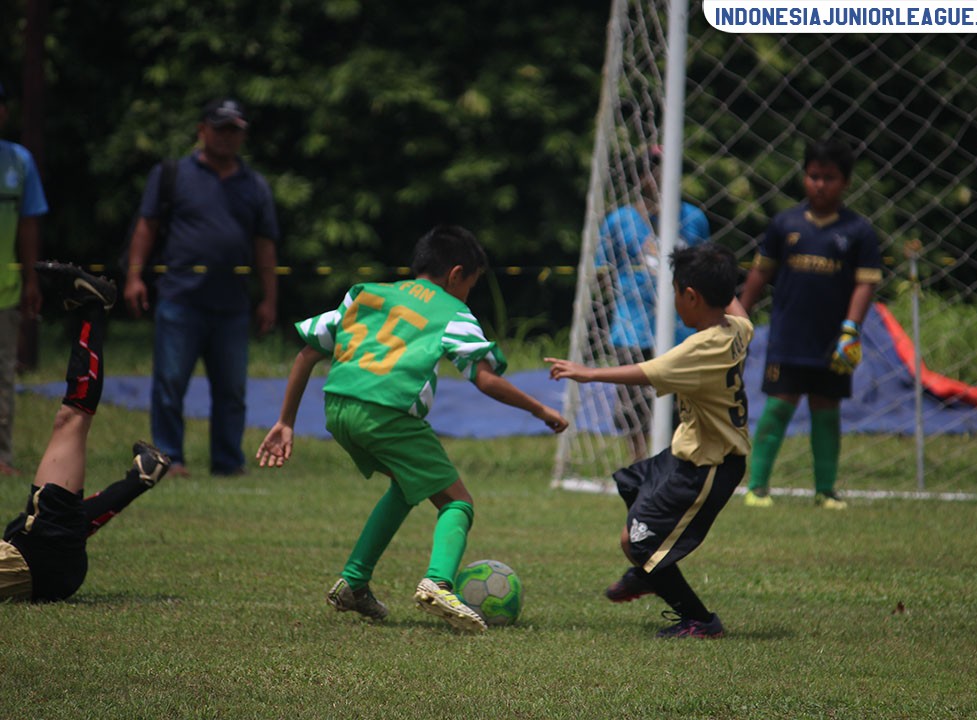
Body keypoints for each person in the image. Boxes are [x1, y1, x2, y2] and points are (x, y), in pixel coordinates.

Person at [256, 225, 568, 633]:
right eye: (470, 286)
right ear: (456, 275)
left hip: (339, 408)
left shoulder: (366, 294)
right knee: (458, 502)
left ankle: (353, 582)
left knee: (407, 485)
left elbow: (307, 353)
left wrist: (285, 422)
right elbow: (485, 378)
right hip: (389, 416)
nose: (467, 295)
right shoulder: (452, 311)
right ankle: (438, 583)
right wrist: (540, 409)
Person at [547, 243, 752, 639]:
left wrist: (587, 373)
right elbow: (738, 309)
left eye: (675, 292)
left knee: (639, 544)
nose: (673, 301)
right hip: (686, 451)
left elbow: (645, 372)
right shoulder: (738, 329)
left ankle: (700, 620)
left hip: (709, 465)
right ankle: (649, 574)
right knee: (632, 495)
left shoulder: (698, 349)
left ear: (690, 296)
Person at [123, 98, 279, 478]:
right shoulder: (172, 174)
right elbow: (147, 226)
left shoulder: (254, 184)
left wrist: (270, 298)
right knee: (169, 384)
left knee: (232, 390)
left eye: (234, 131)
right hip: (180, 298)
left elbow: (265, 244)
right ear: (202, 130)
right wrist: (134, 277)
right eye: (220, 128)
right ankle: (169, 459)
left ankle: (228, 461)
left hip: (232, 304)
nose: (227, 137)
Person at [0, 261, 171, 603]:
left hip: (36, 556)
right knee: (72, 421)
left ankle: (141, 478)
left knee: (69, 428)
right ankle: (92, 307)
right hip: (39, 557)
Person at [738, 138, 882, 510]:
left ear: (845, 182)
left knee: (826, 409)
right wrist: (738, 314)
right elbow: (760, 273)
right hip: (788, 338)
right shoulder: (784, 224)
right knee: (777, 407)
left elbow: (865, 284)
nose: (819, 184)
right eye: (813, 176)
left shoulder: (858, 231)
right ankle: (757, 487)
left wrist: (851, 330)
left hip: (832, 340)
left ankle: (825, 490)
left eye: (829, 178)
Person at [595, 145, 709, 461]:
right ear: (640, 174)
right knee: (633, 405)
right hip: (633, 327)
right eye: (651, 167)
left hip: (681, 330)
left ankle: (676, 459)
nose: (657, 174)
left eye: (664, 166)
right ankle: (640, 460)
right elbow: (602, 270)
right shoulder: (620, 220)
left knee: (680, 403)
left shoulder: (694, 218)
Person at [0, 81, 46, 476]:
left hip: (5, 292)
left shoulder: (19, 161)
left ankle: (1, 457)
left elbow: (29, 223)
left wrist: (32, 280)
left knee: (2, 378)